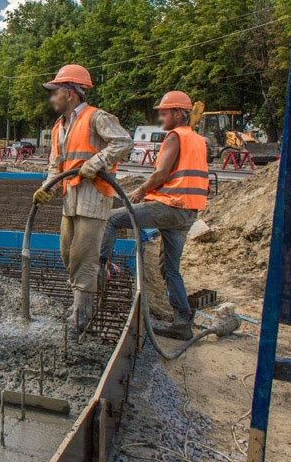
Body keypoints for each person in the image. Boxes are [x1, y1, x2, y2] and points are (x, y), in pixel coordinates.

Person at [100, 91, 209, 340]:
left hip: (170, 206)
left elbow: (161, 174)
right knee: (170, 269)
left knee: (111, 219)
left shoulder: (175, 136)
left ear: (179, 113)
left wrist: (138, 192)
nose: (160, 116)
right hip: (188, 212)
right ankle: (182, 323)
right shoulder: (197, 139)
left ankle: (100, 268)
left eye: (164, 112)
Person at [33, 64, 133, 330]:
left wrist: (98, 162)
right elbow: (57, 166)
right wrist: (48, 187)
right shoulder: (58, 127)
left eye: (55, 92)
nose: (51, 97)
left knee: (83, 256)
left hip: (93, 196)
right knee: (68, 254)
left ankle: (82, 315)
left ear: (70, 93)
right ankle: (90, 293)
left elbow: (124, 141)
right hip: (70, 198)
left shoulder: (96, 117)